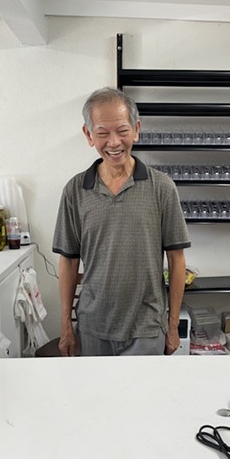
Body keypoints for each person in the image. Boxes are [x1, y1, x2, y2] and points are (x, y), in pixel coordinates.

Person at [52, 87, 191, 357]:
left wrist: (172, 326)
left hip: (147, 328)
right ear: (89, 135)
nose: (114, 142)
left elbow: (177, 260)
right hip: (92, 327)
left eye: (122, 131)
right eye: (103, 133)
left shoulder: (162, 188)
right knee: (96, 398)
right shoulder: (75, 190)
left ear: (136, 129)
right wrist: (66, 325)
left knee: (142, 399)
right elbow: (68, 261)